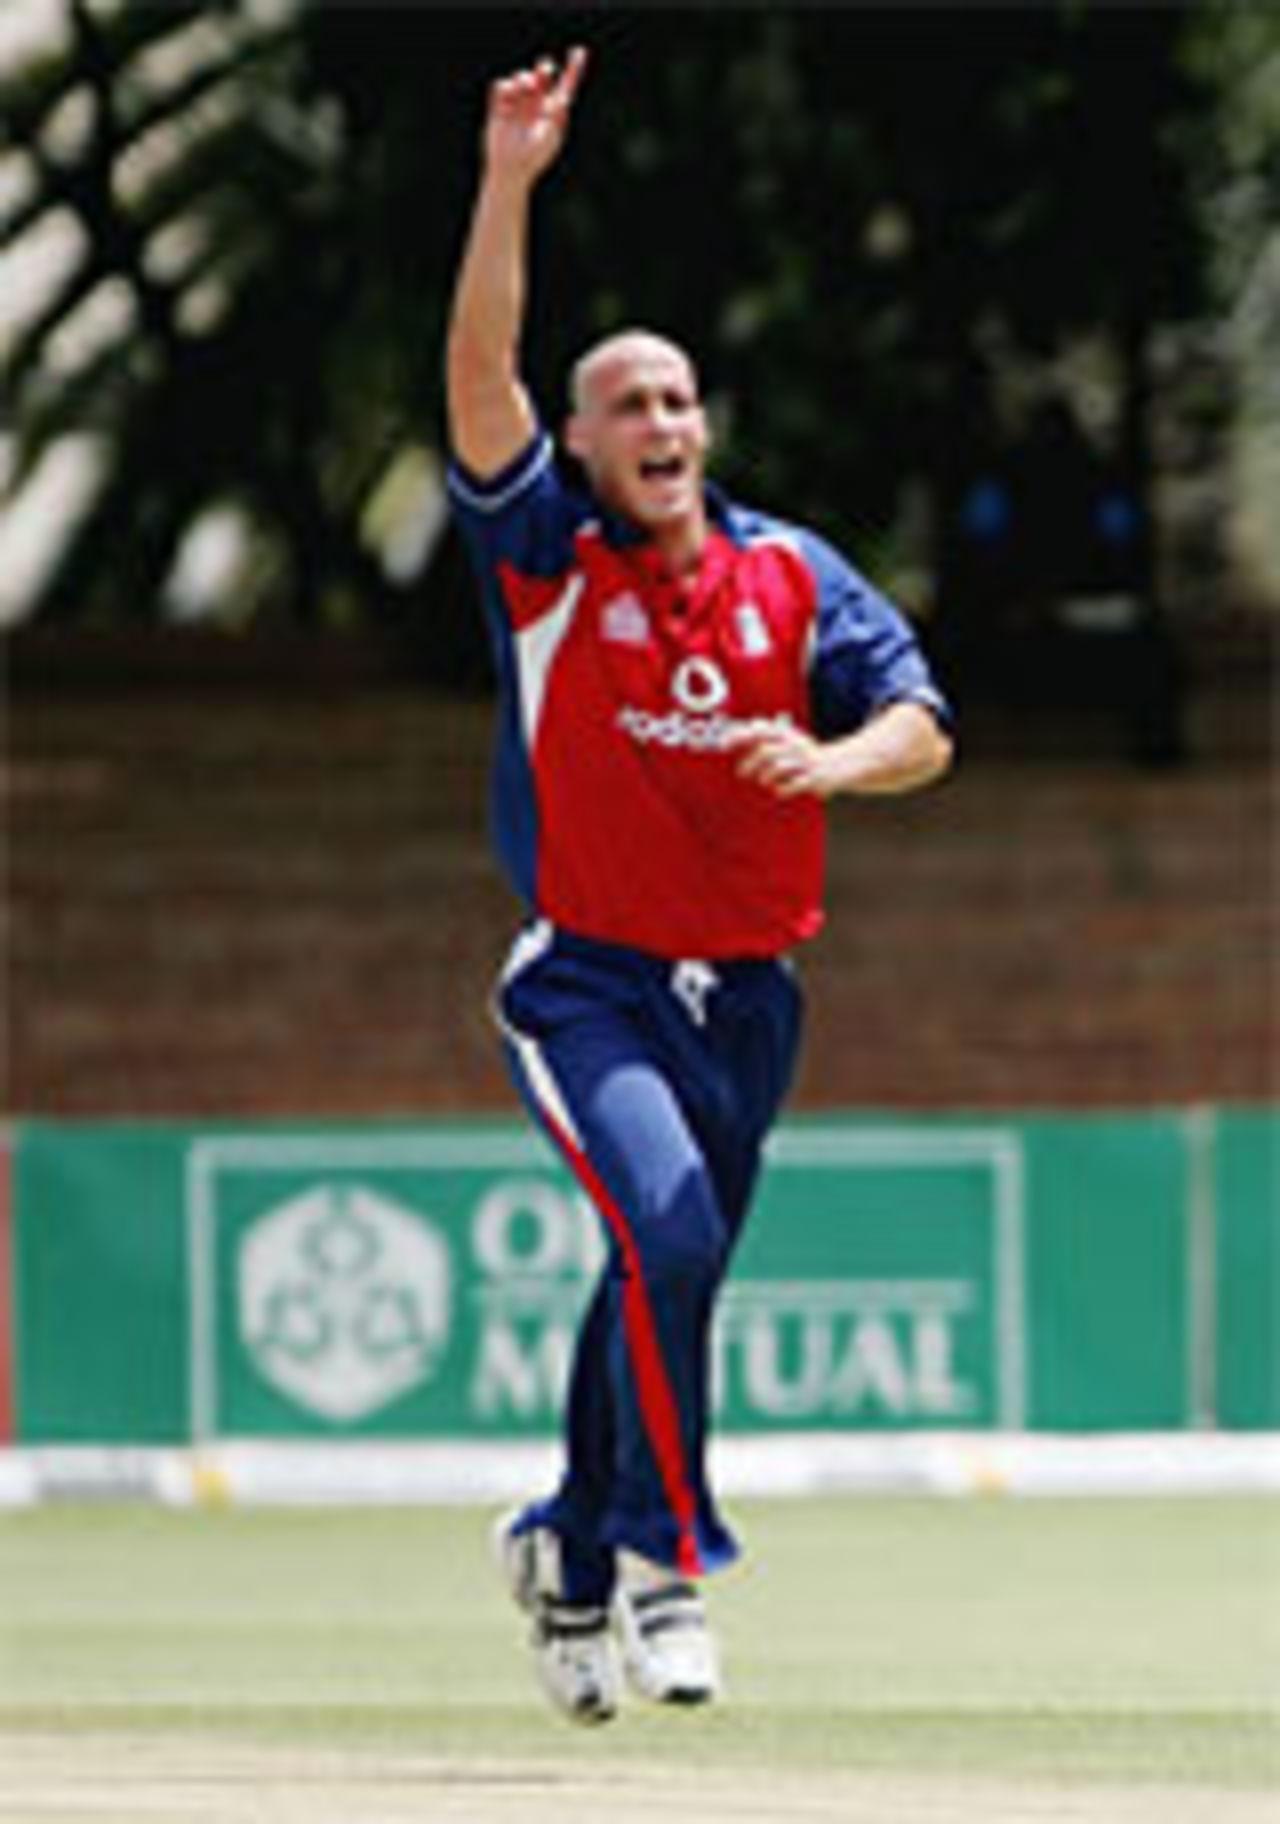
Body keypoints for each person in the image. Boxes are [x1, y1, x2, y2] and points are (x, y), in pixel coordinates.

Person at [444, 47, 954, 1726]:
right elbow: (479, 372)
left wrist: (834, 763)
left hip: (754, 996)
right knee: (662, 1225)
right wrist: (512, 179)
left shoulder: (790, 571)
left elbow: (923, 724)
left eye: (678, 400)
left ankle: (564, 1551)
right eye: (626, 407)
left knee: (663, 1268)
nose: (659, 423)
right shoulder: (546, 569)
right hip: (584, 985)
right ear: (579, 446)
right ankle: (665, 1564)